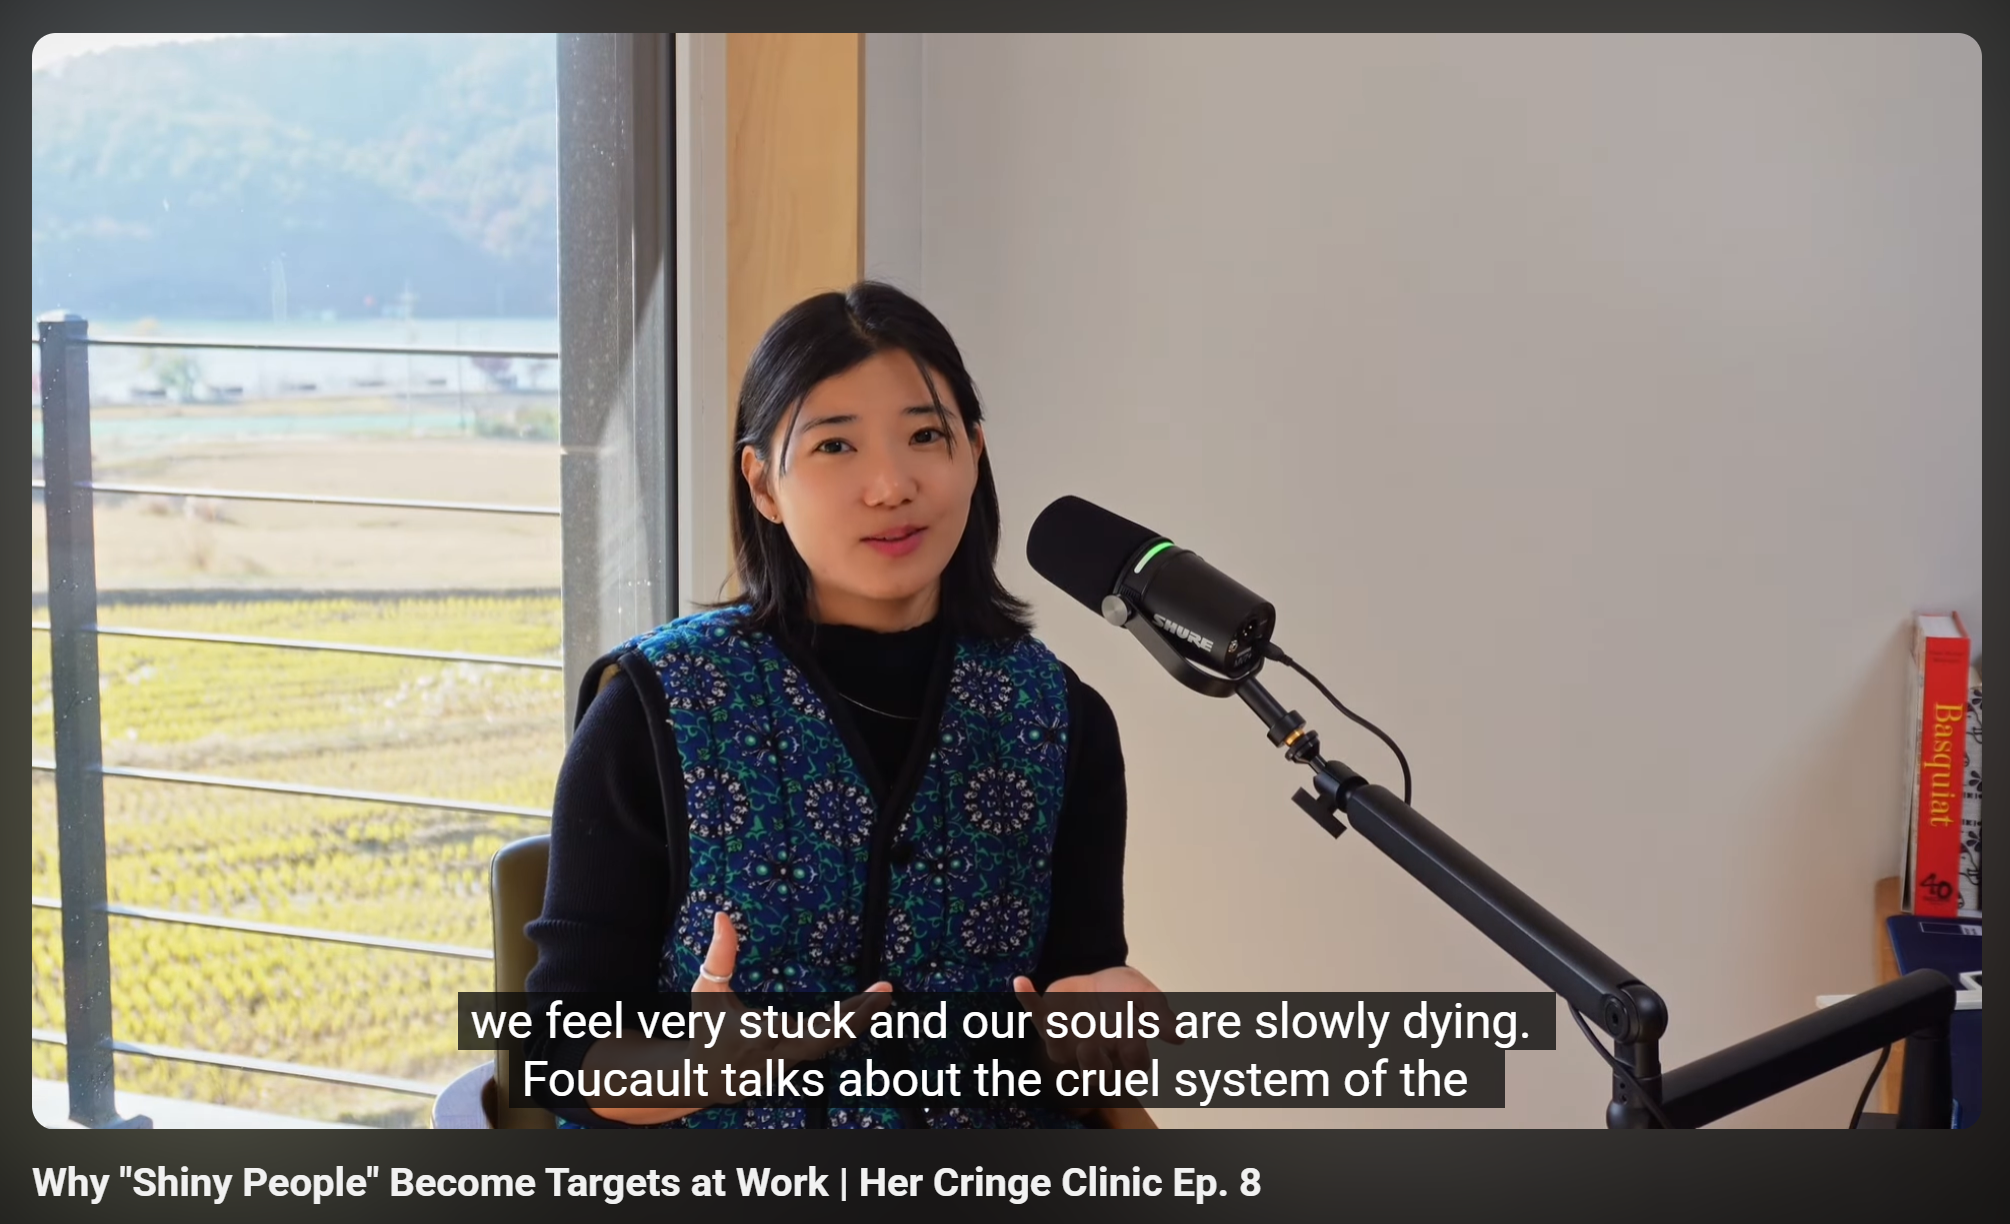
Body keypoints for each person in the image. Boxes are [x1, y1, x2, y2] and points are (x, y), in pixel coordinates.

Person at [523, 281, 1160, 1129]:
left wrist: (1104, 1017)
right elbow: (558, 1055)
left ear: (973, 454)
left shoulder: (1059, 718)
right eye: (834, 448)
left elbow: (1071, 1033)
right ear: (763, 486)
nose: (891, 485)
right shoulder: (654, 711)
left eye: (926, 437)